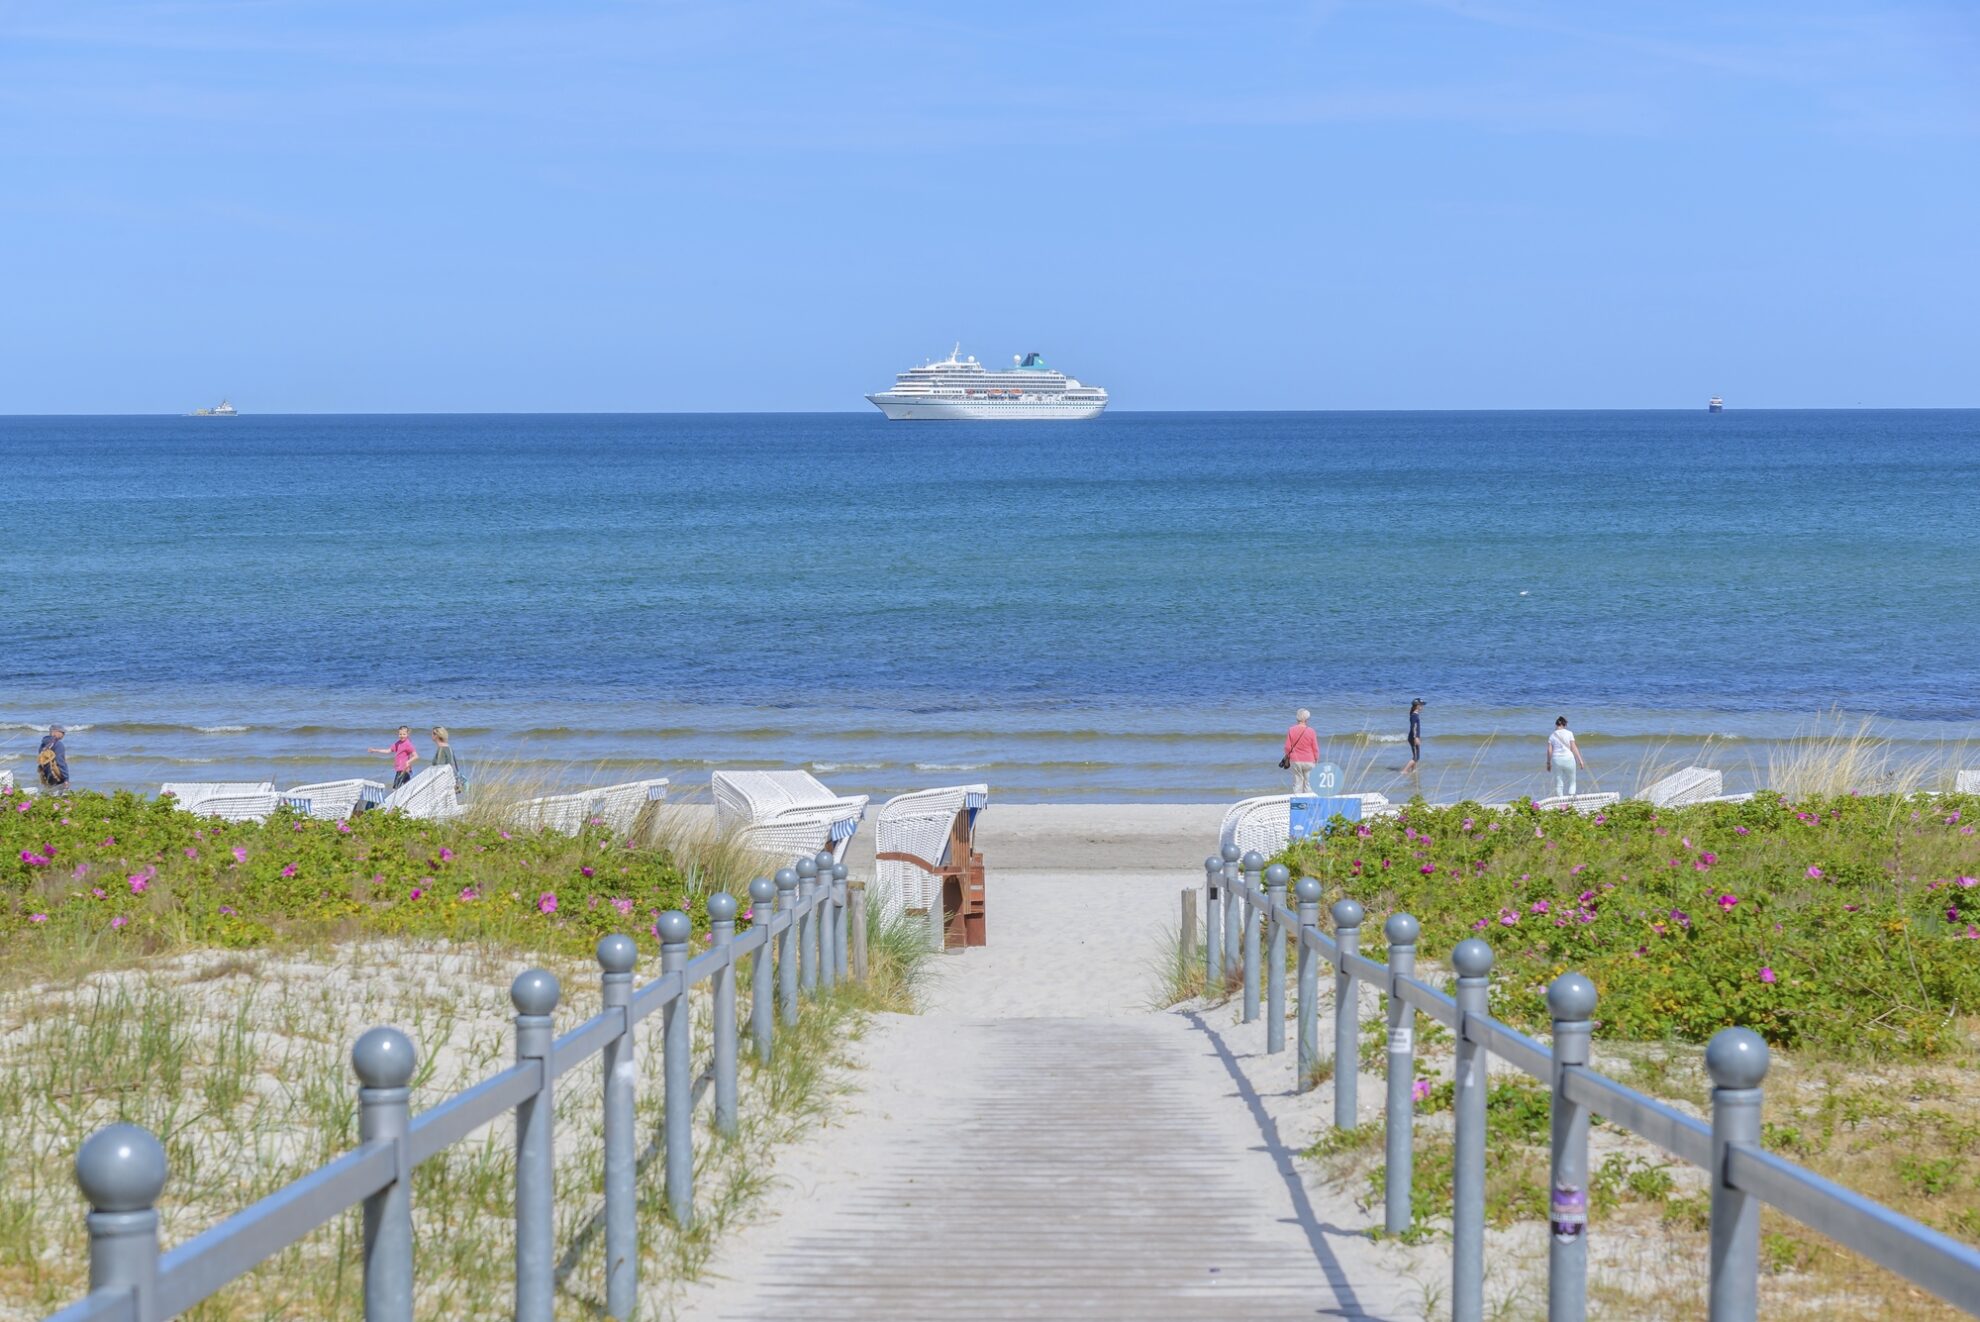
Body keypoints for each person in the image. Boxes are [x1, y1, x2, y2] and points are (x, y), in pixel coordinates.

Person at [1547, 716, 1588, 797]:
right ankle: (1571, 800)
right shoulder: (1569, 733)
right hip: (1568, 758)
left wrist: (1548, 763)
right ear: (1565, 725)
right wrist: (1580, 760)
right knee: (1572, 781)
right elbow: (1574, 747)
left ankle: (1561, 802)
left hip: (1556, 759)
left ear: (1556, 724)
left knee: (1559, 782)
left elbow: (1549, 751)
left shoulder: (1552, 735)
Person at [1283, 709, 1319, 794]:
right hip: (1309, 760)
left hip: (1296, 760)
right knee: (1309, 783)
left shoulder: (1291, 730)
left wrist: (1288, 758)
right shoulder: (1311, 731)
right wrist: (1316, 759)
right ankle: (1308, 803)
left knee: (1297, 783)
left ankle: (1297, 805)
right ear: (1306, 719)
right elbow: (1315, 748)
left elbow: (1287, 747)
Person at [430, 726, 464, 797]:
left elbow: (440, 768)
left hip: (446, 781)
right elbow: (453, 764)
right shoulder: (448, 747)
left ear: (437, 735)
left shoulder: (442, 749)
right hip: (452, 779)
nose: (431, 736)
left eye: (432, 734)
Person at [36, 724, 69, 791]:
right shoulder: (58, 744)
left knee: (49, 792)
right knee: (60, 796)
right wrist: (66, 779)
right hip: (56, 775)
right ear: (54, 732)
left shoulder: (43, 744)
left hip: (45, 773)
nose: (63, 735)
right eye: (62, 732)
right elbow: (60, 762)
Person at [1402, 699, 1424, 775]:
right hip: (1413, 738)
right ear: (1417, 706)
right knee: (1416, 757)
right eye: (1421, 705)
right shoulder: (1414, 716)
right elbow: (1413, 727)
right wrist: (1416, 738)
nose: (1422, 706)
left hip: (1413, 737)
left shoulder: (1415, 714)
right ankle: (1404, 770)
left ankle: (1413, 770)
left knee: (1415, 755)